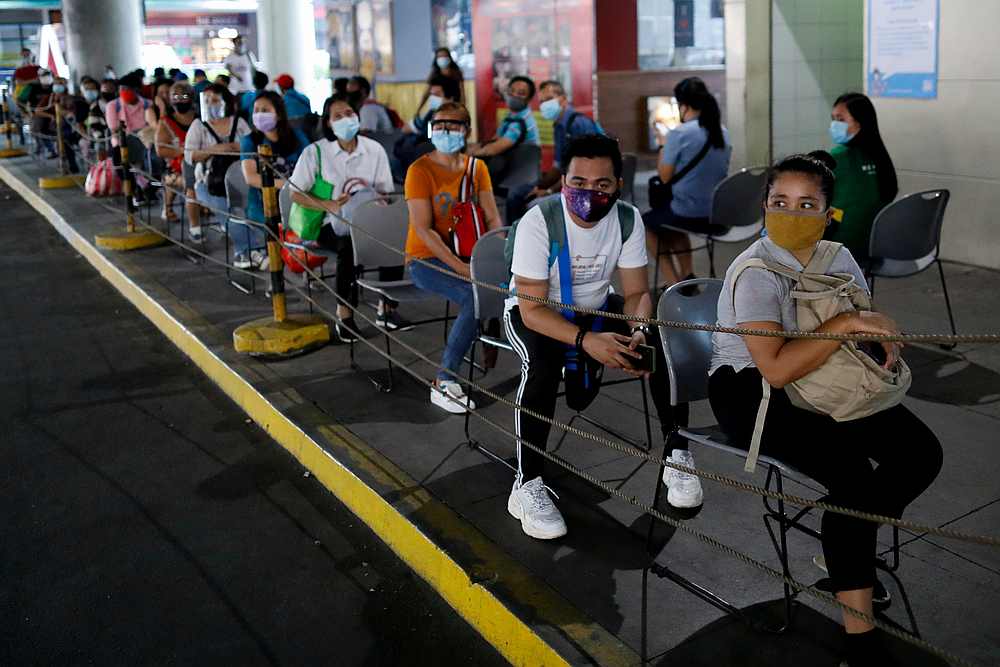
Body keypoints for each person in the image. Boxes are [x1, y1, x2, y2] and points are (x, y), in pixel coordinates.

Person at [709, 151, 942, 667]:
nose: (792, 212)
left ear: (828, 212)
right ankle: (859, 640)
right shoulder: (754, 273)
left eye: (807, 203)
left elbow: (859, 314)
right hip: (754, 394)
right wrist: (843, 330)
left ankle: (845, 545)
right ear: (765, 206)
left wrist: (878, 334)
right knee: (854, 480)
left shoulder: (837, 256)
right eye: (779, 202)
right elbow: (773, 368)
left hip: (826, 379)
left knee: (921, 454)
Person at [503, 133, 699, 539]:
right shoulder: (539, 222)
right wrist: (586, 342)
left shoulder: (626, 219)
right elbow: (532, 309)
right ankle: (527, 483)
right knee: (541, 366)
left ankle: (677, 454)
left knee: (662, 343)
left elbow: (634, 293)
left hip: (594, 308)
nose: (589, 193)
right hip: (538, 314)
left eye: (602, 185)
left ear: (618, 186)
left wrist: (639, 329)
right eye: (578, 183)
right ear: (563, 182)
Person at [404, 101, 503, 413]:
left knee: (528, 285)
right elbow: (423, 230)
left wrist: (496, 260)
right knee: (474, 297)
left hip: (470, 256)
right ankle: (444, 380)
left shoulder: (477, 168)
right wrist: (461, 268)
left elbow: (492, 220)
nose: (445, 130)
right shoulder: (419, 170)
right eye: (439, 125)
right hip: (426, 260)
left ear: (467, 131)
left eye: (453, 125)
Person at [289, 93, 407, 340]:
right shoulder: (316, 152)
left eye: (349, 114)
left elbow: (385, 190)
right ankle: (345, 315)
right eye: (337, 116)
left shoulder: (373, 150)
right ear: (328, 123)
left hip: (368, 218)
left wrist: (377, 202)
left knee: (394, 237)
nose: (345, 120)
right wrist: (328, 204)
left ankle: (386, 309)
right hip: (328, 223)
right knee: (349, 246)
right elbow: (295, 193)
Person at [643, 77, 731, 289]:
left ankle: (675, 285)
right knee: (672, 217)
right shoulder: (722, 132)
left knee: (645, 225)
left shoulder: (679, 134)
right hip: (716, 215)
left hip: (687, 213)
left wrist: (664, 146)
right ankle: (687, 276)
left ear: (683, 106)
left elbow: (664, 177)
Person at [505, 79, 602, 224]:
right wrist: (540, 186)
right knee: (517, 194)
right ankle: (513, 238)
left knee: (533, 204)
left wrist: (549, 191)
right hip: (567, 181)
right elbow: (558, 167)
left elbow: (583, 173)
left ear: (563, 100)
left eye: (549, 99)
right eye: (542, 101)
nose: (545, 105)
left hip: (585, 188)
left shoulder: (577, 124)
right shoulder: (558, 127)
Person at [238, 91, 309, 270]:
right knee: (279, 229)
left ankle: (303, 268)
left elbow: (312, 163)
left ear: (278, 112)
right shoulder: (250, 141)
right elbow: (251, 178)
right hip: (264, 204)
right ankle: (278, 276)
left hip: (297, 199)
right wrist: (289, 186)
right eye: (256, 110)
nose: (260, 114)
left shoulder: (297, 136)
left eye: (265, 110)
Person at [826, 92, 898, 262]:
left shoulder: (838, 156)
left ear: (859, 123)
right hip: (874, 247)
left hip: (839, 248)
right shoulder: (880, 156)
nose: (835, 124)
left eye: (841, 119)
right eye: (833, 118)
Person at [183, 83, 251, 241]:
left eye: (214, 100)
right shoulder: (198, 126)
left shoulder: (238, 123)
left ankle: (248, 244)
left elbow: (251, 147)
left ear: (225, 102)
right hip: (210, 183)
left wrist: (235, 147)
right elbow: (189, 156)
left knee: (249, 209)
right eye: (206, 100)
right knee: (226, 209)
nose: (209, 104)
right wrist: (216, 149)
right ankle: (245, 248)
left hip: (241, 179)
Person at [467, 75, 539, 182]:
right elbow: (494, 140)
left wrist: (465, 154)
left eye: (521, 93)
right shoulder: (512, 115)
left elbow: (493, 149)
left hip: (517, 177)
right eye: (512, 91)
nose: (514, 95)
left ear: (529, 99)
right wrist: (472, 146)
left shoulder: (521, 122)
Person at [154, 82, 197, 223]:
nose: (179, 99)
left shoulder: (200, 119)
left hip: (200, 163)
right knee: (187, 180)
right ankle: (169, 208)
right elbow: (160, 150)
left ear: (191, 97)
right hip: (175, 168)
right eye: (175, 96)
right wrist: (183, 152)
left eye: (184, 96)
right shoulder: (165, 122)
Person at [105, 74, 150, 147]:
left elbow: (152, 126)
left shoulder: (148, 104)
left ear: (137, 90)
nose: (124, 92)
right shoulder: (113, 106)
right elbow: (114, 129)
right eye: (122, 89)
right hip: (122, 143)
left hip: (144, 142)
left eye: (128, 89)